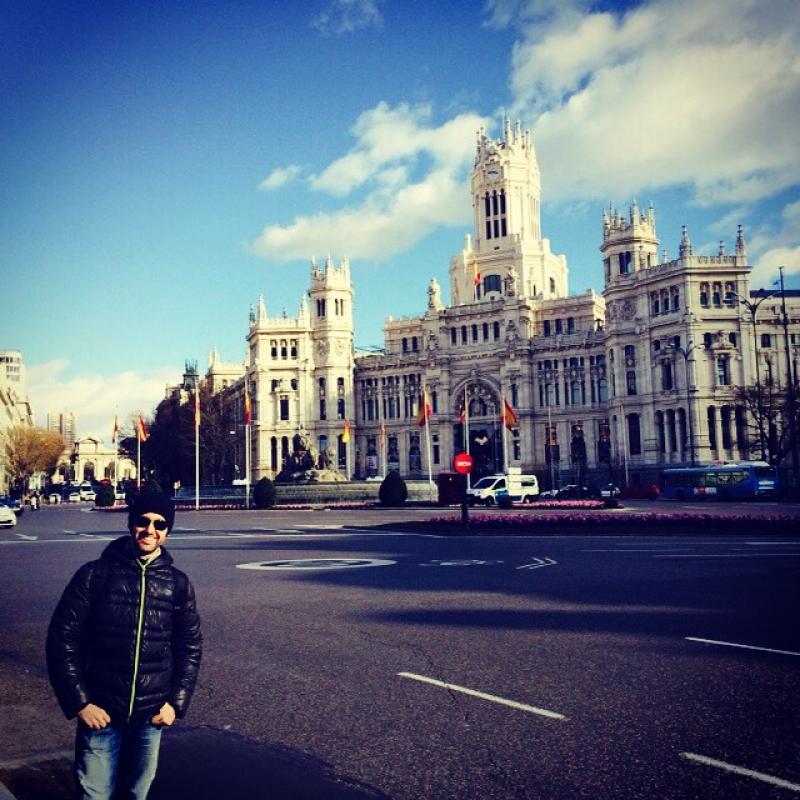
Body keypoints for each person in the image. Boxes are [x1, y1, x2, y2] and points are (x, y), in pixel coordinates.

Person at [46, 493, 202, 800]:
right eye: (143, 521)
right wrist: (80, 703)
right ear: (131, 523)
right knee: (94, 795)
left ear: (167, 531)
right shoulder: (95, 575)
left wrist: (175, 704)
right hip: (101, 711)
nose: (150, 530)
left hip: (151, 714)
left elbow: (190, 646)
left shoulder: (177, 583)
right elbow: (62, 641)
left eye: (160, 524)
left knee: (136, 794)